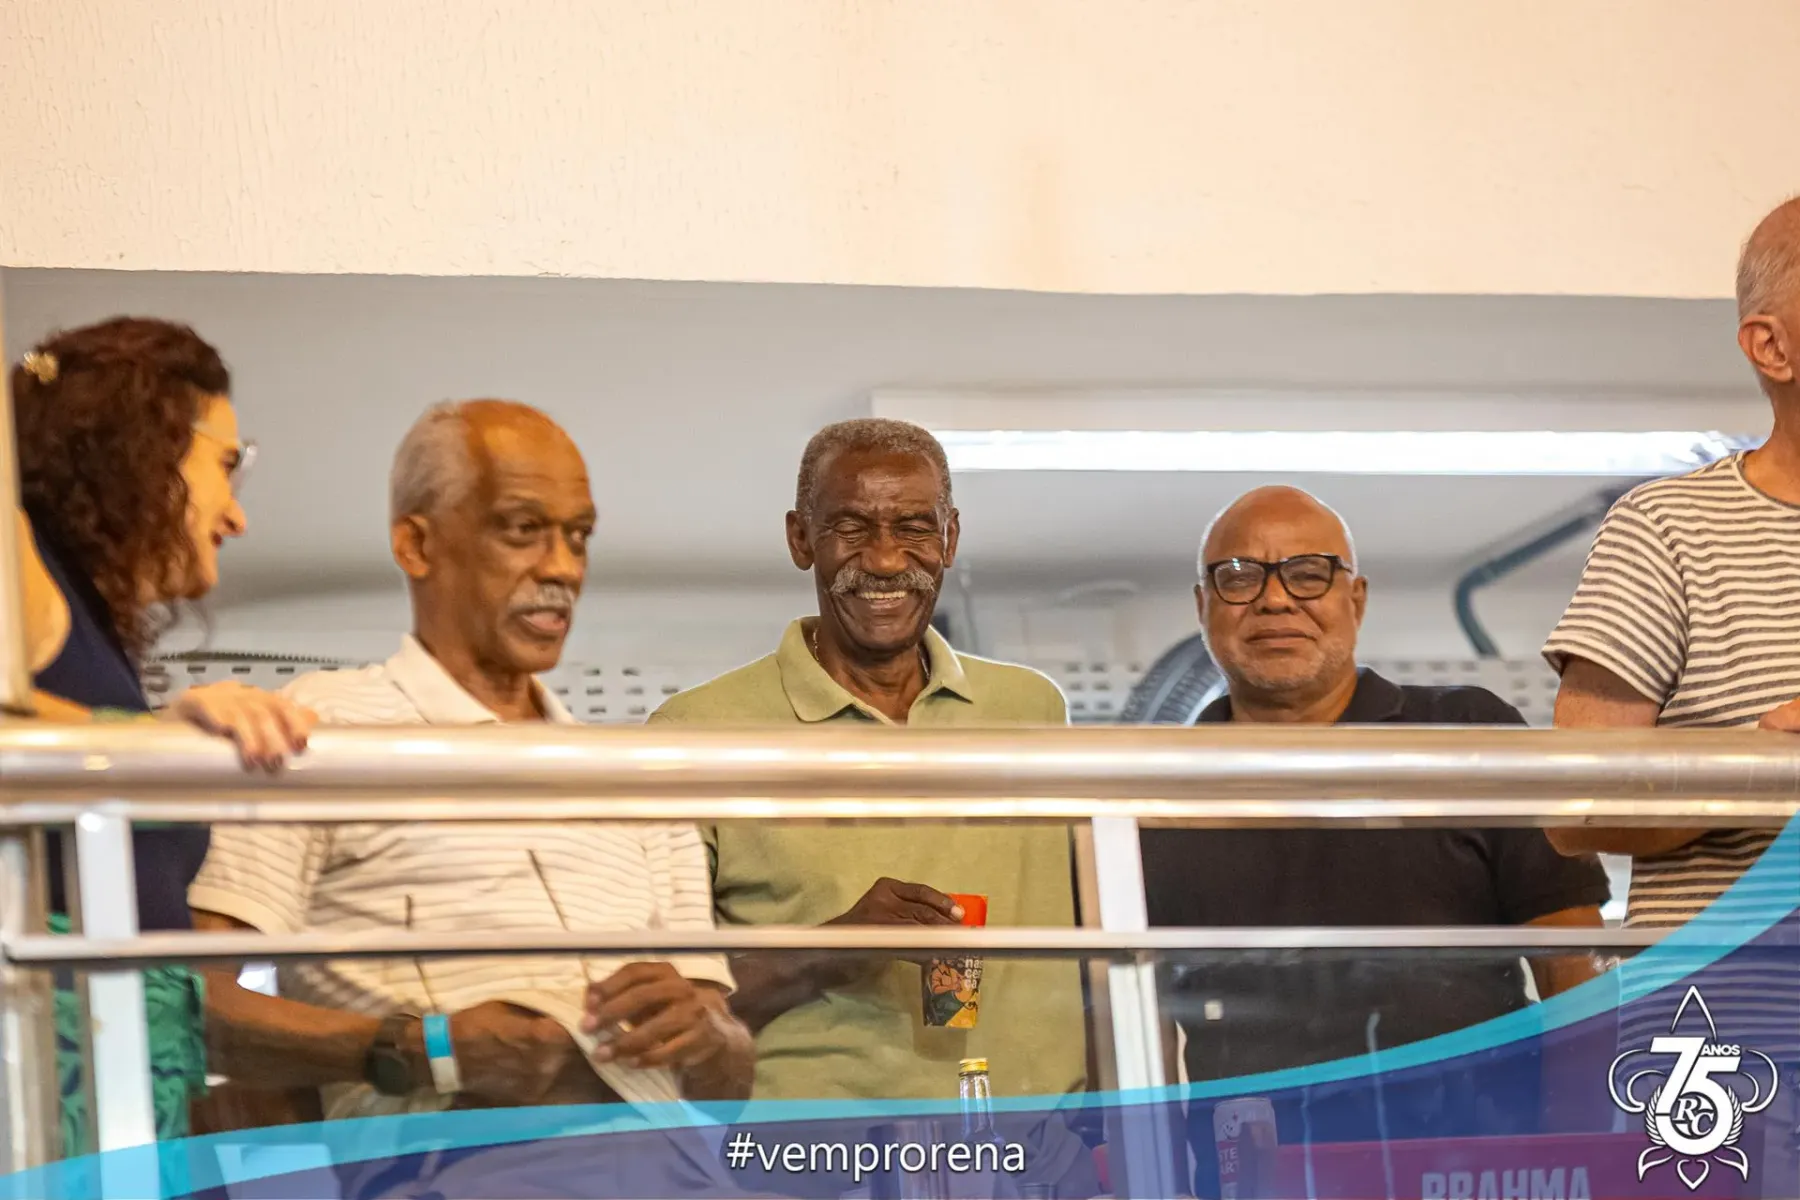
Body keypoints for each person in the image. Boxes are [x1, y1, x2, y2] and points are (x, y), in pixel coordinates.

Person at [188, 401, 753, 1136]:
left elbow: (726, 1083)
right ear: (416, 544)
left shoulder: (635, 778)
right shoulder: (319, 730)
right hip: (448, 1163)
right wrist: (426, 1050)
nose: (562, 568)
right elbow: (189, 1001)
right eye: (522, 529)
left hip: (678, 1166)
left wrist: (709, 1035)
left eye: (578, 536)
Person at [611, 419, 1093, 1189]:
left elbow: (1097, 946)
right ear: (801, 538)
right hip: (813, 1170)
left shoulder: (1032, 710)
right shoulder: (696, 732)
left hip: (1032, 1162)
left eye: (914, 527)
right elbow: (655, 1016)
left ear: (951, 538)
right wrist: (831, 948)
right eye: (851, 527)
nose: (886, 560)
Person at [1141, 486, 1611, 1199]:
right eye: (1239, 577)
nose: (1274, 600)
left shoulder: (1465, 735)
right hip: (1256, 1184)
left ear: (1355, 599)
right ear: (1203, 605)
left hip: (1476, 1174)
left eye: (1308, 573)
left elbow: (1574, 965)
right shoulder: (1155, 792)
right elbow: (1127, 1011)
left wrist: (1579, 1159)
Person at [11, 318, 315, 1155]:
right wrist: (147, 740)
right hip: (51, 1094)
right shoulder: (19, 558)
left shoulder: (71, 615)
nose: (237, 516)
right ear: (144, 447)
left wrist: (152, 734)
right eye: (227, 463)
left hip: (119, 1098)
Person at [1542, 196, 1800, 1177]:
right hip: (1729, 1068)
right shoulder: (1668, 531)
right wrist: (1764, 770)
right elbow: (1576, 809)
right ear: (1771, 346)